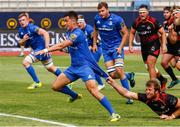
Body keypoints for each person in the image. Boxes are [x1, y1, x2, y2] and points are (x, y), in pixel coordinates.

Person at [36, 11, 120, 122]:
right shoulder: (69, 33)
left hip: (85, 67)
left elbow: (62, 44)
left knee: (93, 90)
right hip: (73, 68)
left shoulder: (77, 33)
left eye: (66, 21)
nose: (64, 23)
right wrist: (63, 49)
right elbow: (68, 48)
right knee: (55, 86)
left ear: (72, 21)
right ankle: (74, 95)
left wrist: (46, 50)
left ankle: (114, 113)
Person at [92, 1, 135, 104]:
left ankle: (129, 96)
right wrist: (94, 44)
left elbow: (125, 33)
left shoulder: (117, 19)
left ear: (107, 9)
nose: (101, 13)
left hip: (116, 48)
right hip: (105, 49)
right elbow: (95, 31)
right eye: (99, 11)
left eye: (102, 11)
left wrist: (120, 47)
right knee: (112, 75)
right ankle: (129, 76)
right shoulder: (97, 19)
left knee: (119, 70)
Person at [129, 4, 168, 91]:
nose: (142, 14)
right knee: (149, 67)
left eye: (143, 12)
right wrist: (130, 45)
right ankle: (162, 80)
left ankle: (152, 88)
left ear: (147, 12)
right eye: (140, 13)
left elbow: (163, 33)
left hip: (154, 44)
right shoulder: (136, 22)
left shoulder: (153, 21)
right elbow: (131, 32)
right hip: (144, 47)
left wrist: (164, 45)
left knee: (150, 64)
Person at [107, 77, 180, 120]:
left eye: (150, 90)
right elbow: (126, 93)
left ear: (157, 91)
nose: (147, 92)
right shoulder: (146, 97)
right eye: (146, 89)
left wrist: (171, 116)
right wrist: (114, 84)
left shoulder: (167, 98)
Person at [77, 14, 105, 90]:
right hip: (90, 51)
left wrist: (92, 46)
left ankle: (100, 84)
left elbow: (97, 40)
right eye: (78, 23)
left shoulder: (89, 29)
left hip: (96, 50)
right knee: (90, 66)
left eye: (80, 22)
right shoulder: (80, 30)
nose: (79, 24)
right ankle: (127, 75)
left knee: (92, 67)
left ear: (84, 22)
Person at [161, 7, 180, 89]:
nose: (165, 14)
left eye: (167, 12)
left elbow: (174, 40)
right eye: (164, 12)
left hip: (178, 46)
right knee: (164, 63)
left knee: (177, 65)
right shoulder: (166, 23)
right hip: (171, 47)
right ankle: (175, 79)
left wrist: (168, 32)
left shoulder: (175, 23)